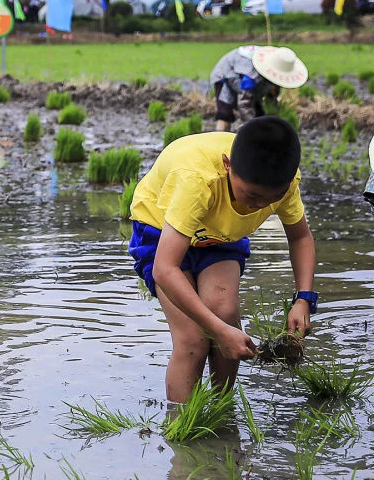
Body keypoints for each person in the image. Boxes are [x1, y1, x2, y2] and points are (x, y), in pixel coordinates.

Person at [127, 116, 316, 402]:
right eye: (251, 195)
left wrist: (303, 298)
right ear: (228, 165)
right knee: (193, 339)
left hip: (218, 233)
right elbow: (165, 269)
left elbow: (300, 237)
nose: (258, 206)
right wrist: (217, 331)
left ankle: (222, 414)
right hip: (160, 227)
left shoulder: (284, 183)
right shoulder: (198, 180)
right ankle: (183, 431)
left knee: (226, 313)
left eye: (269, 199)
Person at [209, 45, 308, 132]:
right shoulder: (251, 76)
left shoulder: (275, 67)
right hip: (226, 75)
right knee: (225, 114)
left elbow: (271, 100)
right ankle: (219, 141)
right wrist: (254, 127)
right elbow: (244, 104)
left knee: (260, 114)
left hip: (252, 82)